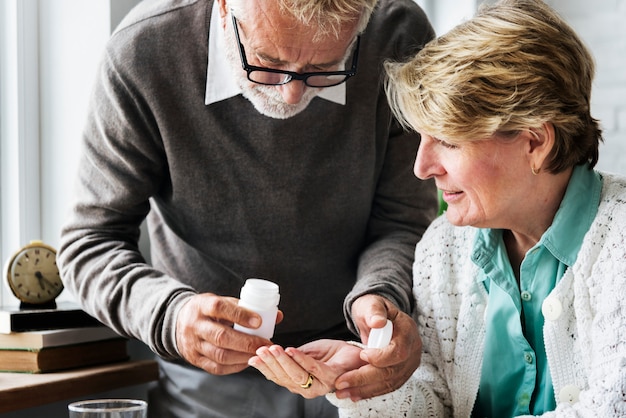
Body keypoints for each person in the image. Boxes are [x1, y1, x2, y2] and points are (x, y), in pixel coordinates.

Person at [57, 0, 438, 416]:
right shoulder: (144, 51)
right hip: (205, 380)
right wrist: (173, 316)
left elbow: (403, 220)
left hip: (350, 360)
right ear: (224, 7)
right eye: (267, 61)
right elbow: (90, 243)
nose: (291, 93)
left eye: (325, 68)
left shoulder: (398, 36)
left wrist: (382, 296)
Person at [247, 0, 626, 416]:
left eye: (447, 140)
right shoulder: (443, 247)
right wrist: (363, 379)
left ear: (535, 141)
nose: (422, 167)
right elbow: (435, 402)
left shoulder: (618, 243)